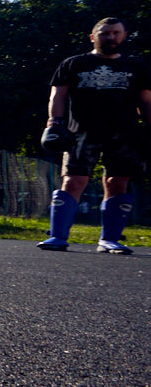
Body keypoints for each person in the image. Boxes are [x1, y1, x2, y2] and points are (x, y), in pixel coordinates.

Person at [38, 17, 151, 254]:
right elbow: (57, 95)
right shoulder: (74, 63)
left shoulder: (137, 66)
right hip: (81, 130)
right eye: (105, 33)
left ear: (124, 35)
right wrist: (54, 123)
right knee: (72, 180)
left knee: (117, 182)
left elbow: (146, 101)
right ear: (93, 37)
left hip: (124, 133)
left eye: (116, 33)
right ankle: (57, 236)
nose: (111, 37)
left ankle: (109, 239)